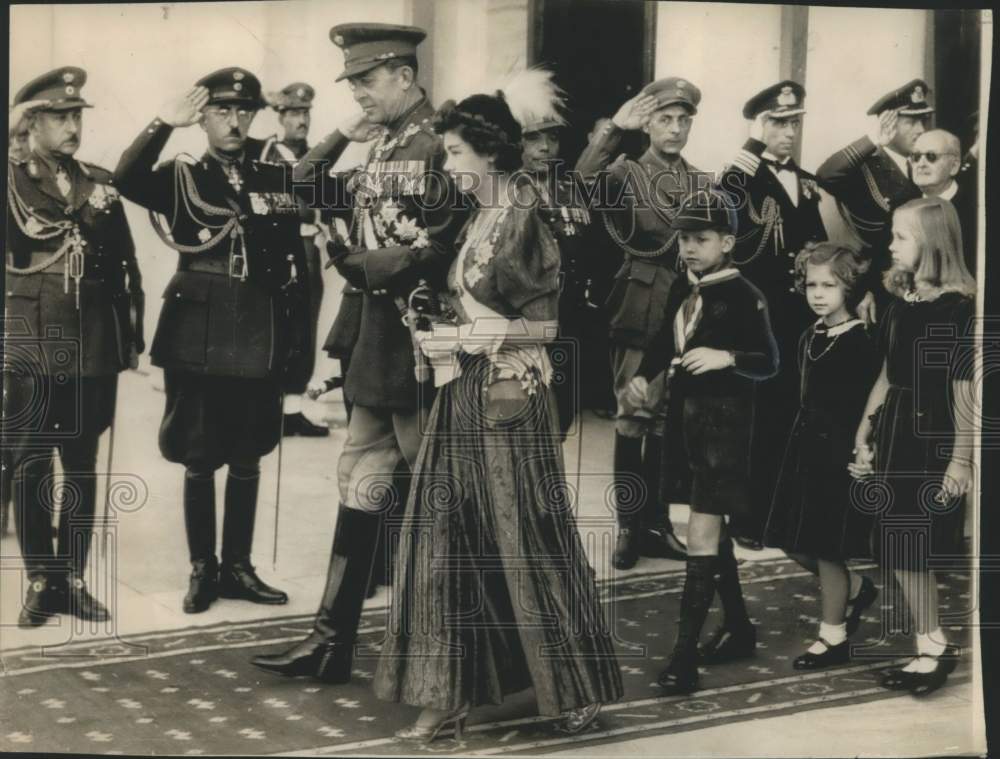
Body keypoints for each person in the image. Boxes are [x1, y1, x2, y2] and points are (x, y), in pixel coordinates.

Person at [373, 74, 623, 742]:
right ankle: (454, 689)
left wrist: (465, 336)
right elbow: (480, 306)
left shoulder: (523, 214)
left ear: (489, 154)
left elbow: (543, 327)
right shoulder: (481, 213)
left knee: (523, 537)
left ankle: (571, 687)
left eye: (455, 152)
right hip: (464, 394)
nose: (447, 164)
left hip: (510, 399)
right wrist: (437, 323)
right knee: (448, 535)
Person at [251, 23, 467, 684]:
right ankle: (330, 641)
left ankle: (460, 651)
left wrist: (356, 263)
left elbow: (441, 243)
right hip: (375, 342)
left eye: (367, 81)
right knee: (360, 481)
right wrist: (347, 129)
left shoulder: (439, 144)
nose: (359, 93)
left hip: (419, 340)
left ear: (404, 77)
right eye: (352, 82)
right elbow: (303, 181)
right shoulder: (381, 143)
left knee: (441, 492)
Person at [114, 67, 312, 614]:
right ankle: (203, 569)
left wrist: (294, 337)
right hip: (198, 325)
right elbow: (125, 179)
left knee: (248, 451)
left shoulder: (272, 173)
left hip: (257, 322)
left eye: (243, 112)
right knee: (200, 454)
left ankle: (239, 568)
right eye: (222, 111)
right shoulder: (182, 175)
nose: (234, 122)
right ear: (202, 118)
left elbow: (293, 251)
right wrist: (162, 123)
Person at [625, 187, 778, 694]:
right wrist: (645, 375)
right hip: (684, 427)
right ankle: (738, 627)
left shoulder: (745, 296)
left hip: (725, 430)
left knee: (701, 536)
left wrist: (727, 357)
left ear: (728, 242)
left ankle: (683, 658)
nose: (689, 248)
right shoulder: (679, 287)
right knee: (712, 534)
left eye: (701, 239)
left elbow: (770, 362)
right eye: (684, 239)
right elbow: (662, 340)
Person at [5, 68, 144, 626]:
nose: (71, 126)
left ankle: (74, 577)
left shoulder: (100, 181)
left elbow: (127, 266)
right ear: (31, 122)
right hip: (36, 337)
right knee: (33, 458)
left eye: (76, 116)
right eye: (60, 117)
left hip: (91, 341)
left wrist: (127, 337)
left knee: (83, 461)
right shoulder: (11, 181)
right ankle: (41, 580)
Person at [849, 196, 975, 696]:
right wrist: (865, 428)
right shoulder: (902, 303)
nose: (890, 244)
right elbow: (887, 372)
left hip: (934, 433)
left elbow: (966, 387)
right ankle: (931, 643)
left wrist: (960, 459)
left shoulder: (961, 307)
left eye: (900, 236)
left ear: (932, 243)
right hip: (897, 427)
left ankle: (934, 646)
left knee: (915, 549)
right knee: (899, 549)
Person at [575, 77, 703, 569]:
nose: (674, 129)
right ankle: (629, 527)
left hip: (687, 313)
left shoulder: (701, 182)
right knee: (634, 417)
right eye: (664, 119)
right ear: (647, 123)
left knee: (671, 422)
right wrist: (612, 130)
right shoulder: (625, 173)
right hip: (641, 309)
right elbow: (578, 186)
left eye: (682, 120)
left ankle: (658, 524)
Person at [720, 80, 827, 552]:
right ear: (760, 125)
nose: (788, 133)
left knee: (788, 416)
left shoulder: (803, 180)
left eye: (794, 123)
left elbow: (818, 245)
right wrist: (751, 144)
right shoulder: (741, 175)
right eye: (777, 123)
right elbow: (723, 206)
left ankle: (780, 517)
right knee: (753, 422)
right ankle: (746, 519)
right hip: (755, 320)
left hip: (796, 320)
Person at [763, 242, 880, 668]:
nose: (818, 293)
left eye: (829, 285)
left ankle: (833, 637)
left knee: (826, 547)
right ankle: (856, 587)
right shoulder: (809, 335)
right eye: (811, 284)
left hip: (839, 457)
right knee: (789, 540)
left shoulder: (863, 340)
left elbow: (873, 401)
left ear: (848, 287)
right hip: (805, 452)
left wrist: (865, 448)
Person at [817, 79, 930, 318]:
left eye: (923, 120)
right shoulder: (865, 168)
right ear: (887, 125)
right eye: (911, 121)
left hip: (925, 279)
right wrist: (871, 140)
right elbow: (825, 175)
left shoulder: (926, 163)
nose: (921, 129)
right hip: (882, 285)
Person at [520, 90, 597, 437]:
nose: (545, 146)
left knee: (561, 417)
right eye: (533, 138)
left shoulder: (569, 190)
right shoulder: (509, 192)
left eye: (551, 137)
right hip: (527, 320)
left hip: (569, 318)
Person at [259, 82, 330, 437]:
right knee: (281, 327)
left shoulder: (317, 154)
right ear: (281, 117)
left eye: (306, 114)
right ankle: (271, 410)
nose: (302, 121)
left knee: (305, 327)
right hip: (280, 248)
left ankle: (293, 409)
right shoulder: (270, 155)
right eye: (295, 114)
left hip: (309, 246)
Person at [910, 129, 977, 277]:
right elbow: (881, 264)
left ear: (954, 166)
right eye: (915, 157)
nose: (921, 164)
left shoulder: (976, 211)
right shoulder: (900, 205)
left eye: (931, 156)